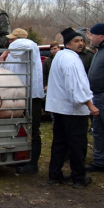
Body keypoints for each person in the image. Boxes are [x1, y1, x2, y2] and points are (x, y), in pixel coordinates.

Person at [46, 27, 98, 188]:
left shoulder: (60, 56)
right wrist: (90, 104)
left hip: (59, 108)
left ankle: (55, 175)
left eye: (82, 40)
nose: (81, 43)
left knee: (60, 143)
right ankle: (78, 178)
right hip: (73, 110)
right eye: (76, 41)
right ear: (67, 44)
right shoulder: (71, 59)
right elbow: (76, 85)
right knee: (77, 145)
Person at [0, 28, 45, 174]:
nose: (10, 41)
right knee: (17, 127)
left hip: (32, 96)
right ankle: (18, 159)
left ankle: (33, 164)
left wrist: (6, 52)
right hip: (16, 96)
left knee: (33, 130)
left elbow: (23, 44)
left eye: (13, 39)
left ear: (20, 39)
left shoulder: (30, 47)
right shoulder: (14, 53)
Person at [87, 23, 104, 172]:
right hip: (96, 96)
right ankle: (99, 162)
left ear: (100, 36)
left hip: (102, 96)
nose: (89, 38)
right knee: (97, 130)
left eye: (91, 35)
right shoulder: (99, 51)